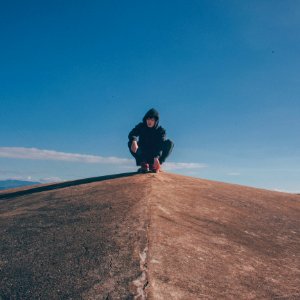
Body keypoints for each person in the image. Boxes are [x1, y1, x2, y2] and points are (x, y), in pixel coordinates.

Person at [128, 108, 174, 173]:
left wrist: (156, 158)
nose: (149, 121)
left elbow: (160, 145)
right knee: (130, 142)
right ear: (145, 119)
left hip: (155, 155)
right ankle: (143, 164)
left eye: (152, 120)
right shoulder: (141, 126)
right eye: (148, 119)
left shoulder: (161, 131)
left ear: (156, 121)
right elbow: (132, 133)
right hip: (143, 154)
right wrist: (134, 140)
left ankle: (157, 165)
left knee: (170, 143)